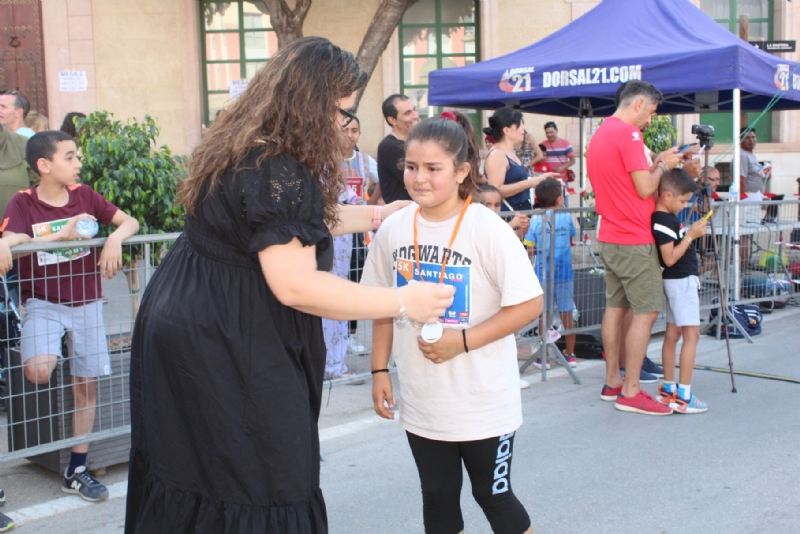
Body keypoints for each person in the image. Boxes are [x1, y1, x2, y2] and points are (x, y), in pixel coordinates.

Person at [124, 37, 454, 533]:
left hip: (188, 317)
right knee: (260, 471)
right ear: (312, 105)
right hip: (226, 337)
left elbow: (290, 225)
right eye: (342, 112)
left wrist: (380, 212)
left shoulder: (246, 148)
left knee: (196, 467)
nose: (345, 125)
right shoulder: (279, 168)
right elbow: (296, 285)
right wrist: (404, 300)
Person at [363, 111, 543, 534]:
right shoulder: (393, 228)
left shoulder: (487, 229)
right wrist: (377, 369)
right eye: (411, 167)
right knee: (438, 499)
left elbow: (529, 304)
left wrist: (461, 342)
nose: (419, 178)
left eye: (432, 168)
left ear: (462, 171)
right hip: (424, 401)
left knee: (494, 497)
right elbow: (382, 304)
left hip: (483, 403)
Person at [1, 130, 139, 501]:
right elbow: (12, 238)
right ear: (44, 166)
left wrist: (113, 240)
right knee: (38, 370)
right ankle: (54, 351)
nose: (79, 164)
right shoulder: (23, 202)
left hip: (87, 303)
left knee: (87, 386)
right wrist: (53, 236)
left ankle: (77, 469)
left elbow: (130, 222)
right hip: (43, 303)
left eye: (77, 156)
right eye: (70, 157)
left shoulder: (85, 196)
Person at [586, 79, 695, 415]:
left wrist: (657, 164)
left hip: (610, 235)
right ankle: (631, 391)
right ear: (638, 104)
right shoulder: (629, 135)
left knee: (615, 308)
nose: (650, 119)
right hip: (633, 238)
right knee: (645, 312)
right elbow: (646, 186)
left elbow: (628, 184)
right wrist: (663, 163)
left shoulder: (601, 132)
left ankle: (613, 382)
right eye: (651, 111)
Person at [651, 169, 709, 414]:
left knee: (673, 335)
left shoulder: (666, 218)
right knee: (691, 337)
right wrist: (691, 236)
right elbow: (670, 258)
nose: (685, 205)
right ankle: (683, 394)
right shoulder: (664, 220)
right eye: (683, 201)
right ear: (666, 195)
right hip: (681, 280)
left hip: (678, 281)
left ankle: (668, 390)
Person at [523, 178, 578, 369]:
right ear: (560, 200)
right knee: (567, 313)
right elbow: (571, 236)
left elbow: (529, 248)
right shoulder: (566, 217)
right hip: (565, 272)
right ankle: (571, 354)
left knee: (543, 314)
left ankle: (543, 356)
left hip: (542, 274)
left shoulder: (536, 220)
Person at [341, 112, 380, 355]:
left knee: (353, 280)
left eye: (354, 130)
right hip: (334, 228)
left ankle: (351, 336)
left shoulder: (365, 161)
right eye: (345, 130)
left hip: (356, 230)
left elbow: (384, 179)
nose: (349, 135)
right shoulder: (326, 159)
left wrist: (371, 205)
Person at [484, 107, 557, 211]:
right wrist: (528, 183)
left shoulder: (510, 152)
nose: (523, 128)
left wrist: (541, 179)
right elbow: (495, 190)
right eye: (519, 124)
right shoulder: (497, 154)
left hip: (521, 215)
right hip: (509, 218)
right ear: (507, 130)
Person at [377, 94, 419, 204]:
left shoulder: (413, 144)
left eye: (414, 110)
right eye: (407, 113)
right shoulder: (389, 146)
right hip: (401, 215)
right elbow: (416, 180)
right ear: (392, 120)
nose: (415, 115)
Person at [738, 127, 769, 194]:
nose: (751, 140)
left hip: (757, 199)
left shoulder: (751, 155)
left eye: (753, 137)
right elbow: (741, 181)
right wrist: (746, 199)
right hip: (750, 201)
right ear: (741, 140)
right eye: (747, 138)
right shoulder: (742, 155)